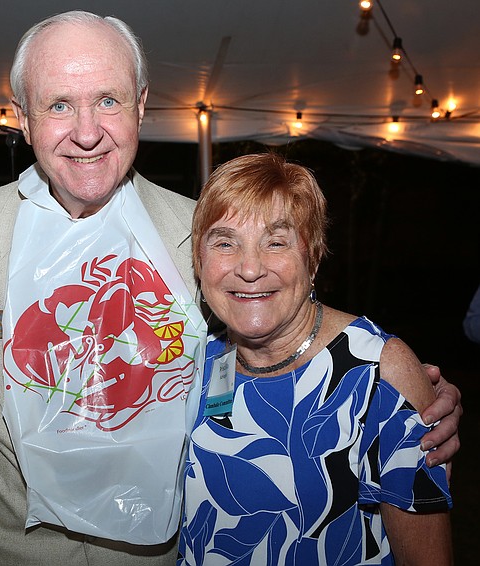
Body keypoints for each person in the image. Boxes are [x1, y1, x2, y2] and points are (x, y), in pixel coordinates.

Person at [0, 11, 462, 565]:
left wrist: (406, 400)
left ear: (141, 105)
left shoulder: (201, 233)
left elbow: (271, 346)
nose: (86, 130)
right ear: (24, 119)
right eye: (58, 105)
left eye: (108, 100)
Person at [179, 153, 452, 565]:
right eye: (225, 242)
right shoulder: (195, 360)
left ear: (313, 259)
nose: (250, 268)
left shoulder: (378, 370)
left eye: (276, 242)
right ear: (200, 263)